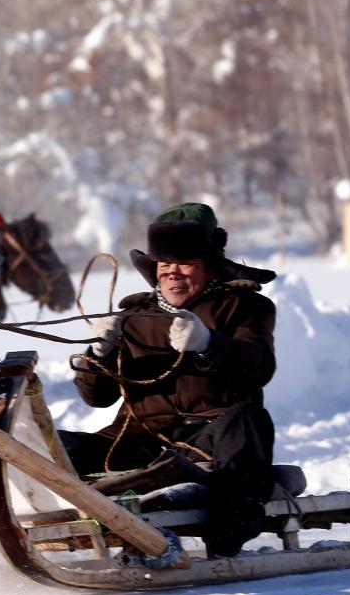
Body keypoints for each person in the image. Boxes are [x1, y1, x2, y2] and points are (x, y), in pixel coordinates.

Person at [59, 202, 278, 557]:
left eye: (186, 263)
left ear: (209, 266)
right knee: (52, 445)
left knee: (248, 419)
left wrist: (210, 344)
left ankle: (229, 531)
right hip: (137, 442)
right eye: (165, 264)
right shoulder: (133, 316)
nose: (173, 273)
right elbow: (97, 398)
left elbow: (260, 366)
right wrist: (96, 356)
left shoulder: (245, 306)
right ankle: (33, 523)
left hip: (209, 439)